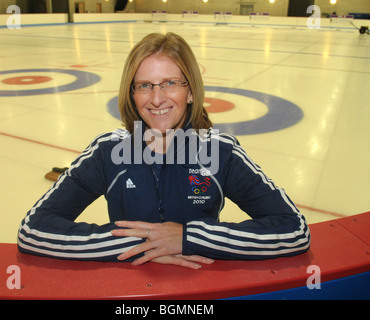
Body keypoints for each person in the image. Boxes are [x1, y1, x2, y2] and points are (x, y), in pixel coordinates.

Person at [17, 32, 310, 269]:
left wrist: (188, 238)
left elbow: (294, 231)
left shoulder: (221, 152)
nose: (157, 99)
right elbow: (33, 231)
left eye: (170, 83)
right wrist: (139, 243)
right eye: (144, 85)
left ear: (191, 90)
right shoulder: (108, 151)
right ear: (131, 94)